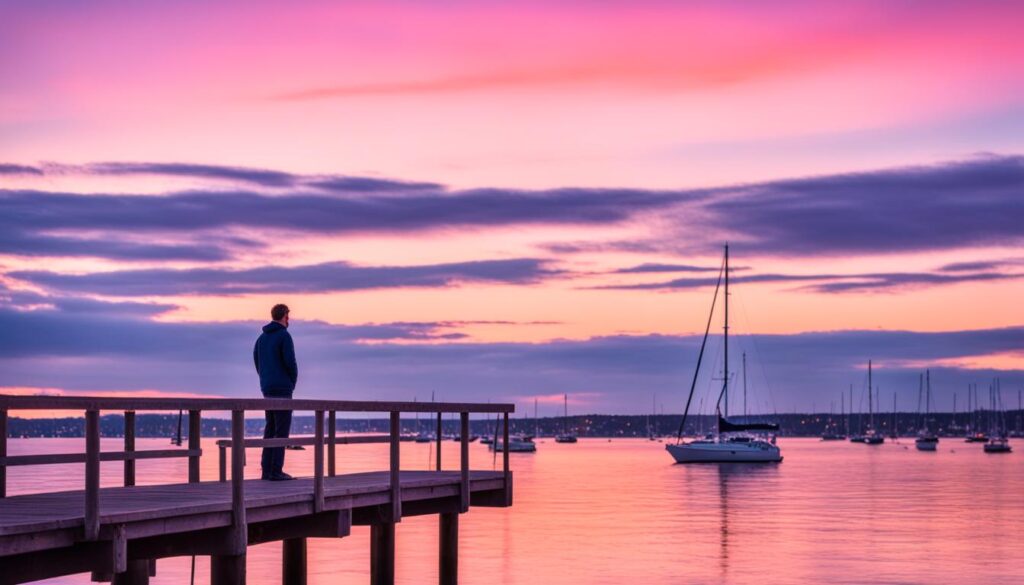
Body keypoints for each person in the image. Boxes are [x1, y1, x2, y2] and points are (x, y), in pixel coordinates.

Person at [253, 303, 298, 480]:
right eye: (288, 315)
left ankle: (266, 470)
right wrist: (291, 382)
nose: (289, 319)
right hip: (282, 388)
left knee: (270, 427)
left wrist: (265, 380)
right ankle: (276, 470)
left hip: (267, 387)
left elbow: (257, 361)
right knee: (281, 430)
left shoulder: (261, 338)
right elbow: (290, 363)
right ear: (284, 316)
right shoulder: (284, 336)